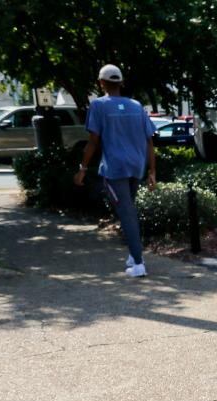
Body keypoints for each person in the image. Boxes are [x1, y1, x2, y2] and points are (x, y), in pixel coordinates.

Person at [73, 64, 157, 277]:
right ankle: (133, 253)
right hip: (136, 167)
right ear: (121, 83)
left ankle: (138, 264)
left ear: (102, 83)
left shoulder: (99, 106)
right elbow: (149, 141)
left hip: (114, 169)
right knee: (129, 210)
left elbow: (93, 142)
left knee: (127, 214)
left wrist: (82, 168)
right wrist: (152, 172)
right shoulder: (137, 106)